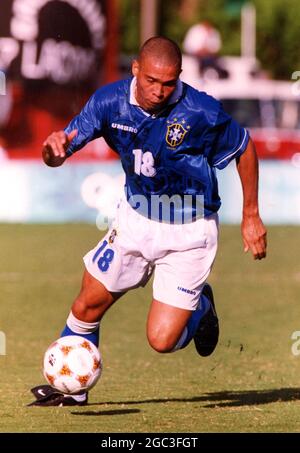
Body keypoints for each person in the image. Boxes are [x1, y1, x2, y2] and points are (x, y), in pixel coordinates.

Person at [29, 36, 267, 407]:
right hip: (135, 219)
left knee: (161, 341)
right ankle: (74, 391)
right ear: (135, 69)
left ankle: (202, 307)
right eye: (151, 80)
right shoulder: (109, 102)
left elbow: (244, 148)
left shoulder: (200, 111)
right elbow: (60, 150)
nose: (159, 91)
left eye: (169, 82)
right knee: (86, 305)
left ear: (180, 77)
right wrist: (52, 149)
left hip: (189, 231)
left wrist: (250, 214)